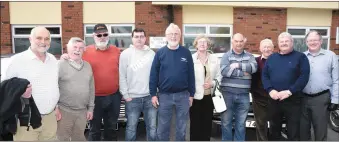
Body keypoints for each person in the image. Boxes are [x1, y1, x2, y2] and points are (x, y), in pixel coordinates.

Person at [61, 24, 121, 141]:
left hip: (114, 96)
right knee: (94, 129)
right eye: (99, 35)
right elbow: (73, 57)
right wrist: (65, 56)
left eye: (105, 34)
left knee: (112, 128)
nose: (102, 37)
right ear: (94, 36)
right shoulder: (85, 51)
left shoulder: (116, 51)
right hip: (94, 99)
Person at [4, 26, 60, 141]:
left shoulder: (53, 60)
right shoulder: (17, 60)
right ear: (30, 39)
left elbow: (54, 85)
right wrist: (19, 93)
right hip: (26, 119)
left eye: (47, 38)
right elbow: (5, 89)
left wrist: (56, 107)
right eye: (39, 38)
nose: (43, 42)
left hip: (50, 117)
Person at [149, 23, 195, 141]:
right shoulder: (160, 53)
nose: (173, 36)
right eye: (171, 34)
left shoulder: (186, 53)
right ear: (166, 36)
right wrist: (153, 94)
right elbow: (153, 74)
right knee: (163, 127)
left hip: (183, 95)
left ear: (180, 36)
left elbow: (191, 74)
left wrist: (191, 94)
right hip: (164, 96)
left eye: (176, 34)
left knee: (182, 127)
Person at [262, 32, 310, 140]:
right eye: (281, 41)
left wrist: (289, 91)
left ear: (292, 42)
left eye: (286, 41)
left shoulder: (301, 57)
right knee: (274, 131)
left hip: (293, 100)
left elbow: (304, 77)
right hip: (275, 99)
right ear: (278, 44)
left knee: (293, 131)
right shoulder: (272, 58)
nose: (284, 43)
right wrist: (270, 90)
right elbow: (265, 75)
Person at [300, 30, 339, 141]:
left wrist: (335, 100)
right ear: (306, 42)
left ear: (321, 41)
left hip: (321, 99)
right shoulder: (302, 57)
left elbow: (336, 79)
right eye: (310, 40)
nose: (313, 42)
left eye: (315, 40)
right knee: (303, 131)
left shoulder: (331, 56)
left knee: (320, 131)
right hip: (303, 98)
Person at [119, 28, 157, 141]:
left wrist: (155, 93)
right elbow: (122, 75)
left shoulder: (151, 54)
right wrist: (126, 95)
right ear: (132, 39)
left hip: (149, 98)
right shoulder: (125, 54)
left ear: (145, 38)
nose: (139, 39)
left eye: (141, 36)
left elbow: (156, 75)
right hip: (132, 98)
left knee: (152, 128)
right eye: (136, 36)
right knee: (131, 128)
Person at [219, 33, 257, 141]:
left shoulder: (250, 56)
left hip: (244, 95)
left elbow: (253, 68)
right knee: (226, 123)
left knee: (241, 124)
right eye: (236, 41)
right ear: (232, 41)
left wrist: (238, 65)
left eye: (241, 41)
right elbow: (224, 71)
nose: (239, 44)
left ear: (244, 42)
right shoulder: (226, 56)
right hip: (227, 94)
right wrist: (243, 73)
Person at [56, 37, 95, 141]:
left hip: (82, 112)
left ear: (84, 50)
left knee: (79, 138)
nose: (77, 50)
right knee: (61, 139)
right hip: (64, 111)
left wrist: (90, 108)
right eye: (75, 47)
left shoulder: (87, 66)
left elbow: (91, 88)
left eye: (81, 48)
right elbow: (53, 87)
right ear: (68, 48)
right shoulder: (60, 64)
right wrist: (55, 108)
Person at [189, 35, 222, 141]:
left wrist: (212, 83)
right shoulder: (191, 58)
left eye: (205, 42)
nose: (203, 44)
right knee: (195, 124)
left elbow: (219, 76)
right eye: (200, 42)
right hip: (194, 97)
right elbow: (187, 77)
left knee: (207, 124)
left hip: (209, 97)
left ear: (208, 45)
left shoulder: (214, 59)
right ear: (196, 45)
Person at [250, 39, 274, 141]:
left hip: (275, 97)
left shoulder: (278, 60)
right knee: (260, 124)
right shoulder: (255, 61)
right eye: (264, 47)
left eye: (269, 47)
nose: (266, 49)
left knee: (274, 123)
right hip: (259, 97)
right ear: (260, 48)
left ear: (273, 48)